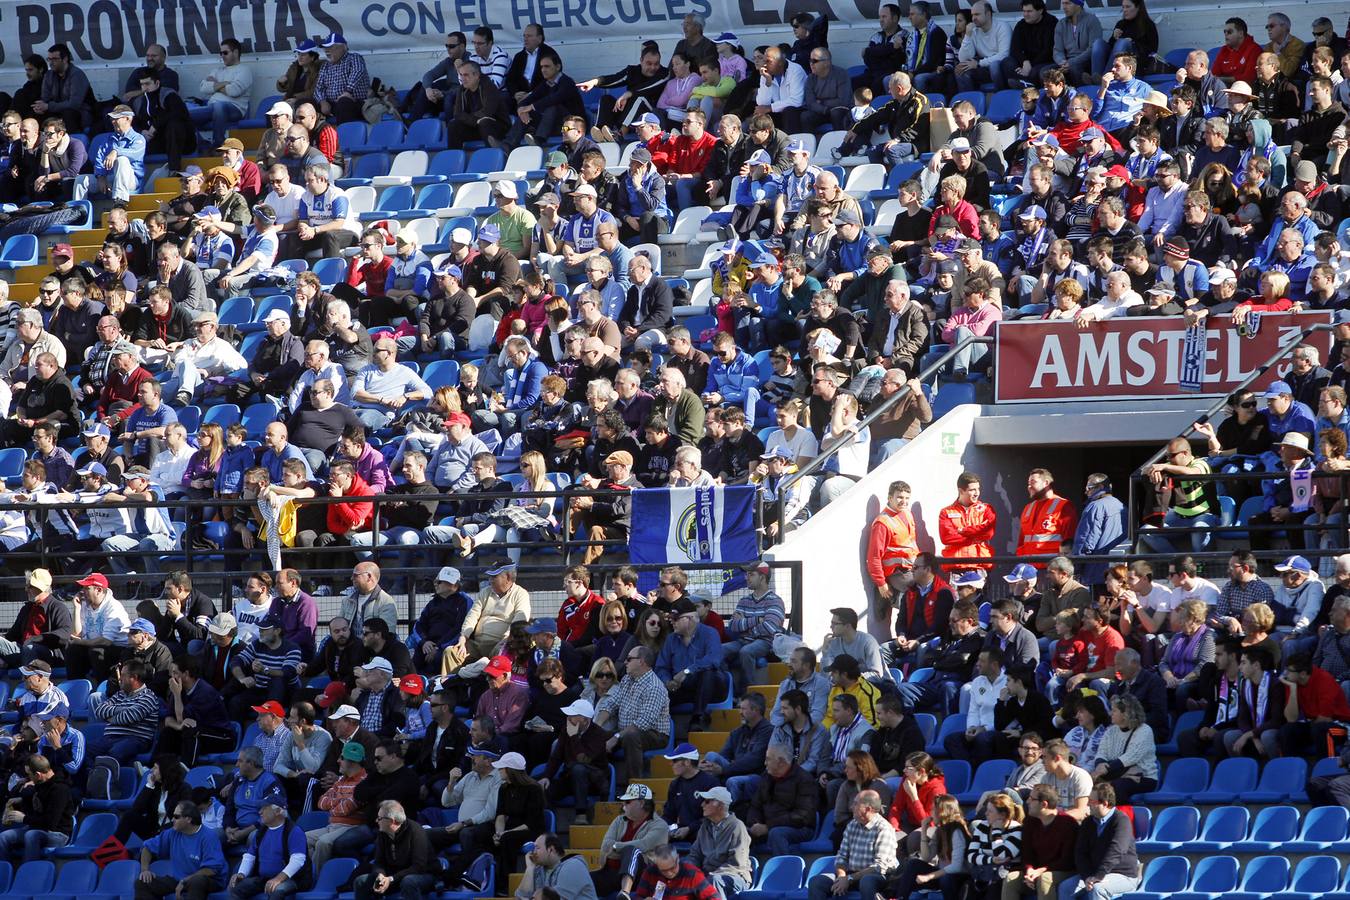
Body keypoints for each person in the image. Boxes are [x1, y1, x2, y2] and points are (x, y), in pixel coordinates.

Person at [806, 790, 897, 900]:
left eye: (855, 803)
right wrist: (842, 877)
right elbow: (842, 857)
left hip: (877, 876)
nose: (851, 807)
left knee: (867, 881)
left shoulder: (883, 829)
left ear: (868, 809)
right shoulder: (852, 825)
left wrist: (849, 879)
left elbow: (879, 867)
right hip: (851, 875)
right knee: (817, 882)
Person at [1058, 784, 1139, 900]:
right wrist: (1087, 876)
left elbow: (1117, 850)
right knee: (1065, 887)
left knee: (1098, 889)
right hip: (1093, 874)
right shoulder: (1088, 823)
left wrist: (1099, 875)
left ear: (1105, 803)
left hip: (1124, 875)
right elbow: (1080, 853)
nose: (1087, 804)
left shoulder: (1121, 820)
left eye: (1091, 801)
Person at [136, 801, 227, 900]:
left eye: (176, 816)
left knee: (197, 881)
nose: (172, 819)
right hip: (180, 879)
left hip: (209, 880)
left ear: (188, 819)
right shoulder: (172, 833)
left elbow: (211, 870)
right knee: (143, 882)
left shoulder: (209, 836)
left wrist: (185, 881)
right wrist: (145, 870)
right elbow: (147, 847)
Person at [352, 801, 436, 900]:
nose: (376, 820)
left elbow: (418, 867)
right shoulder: (383, 833)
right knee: (361, 881)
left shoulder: (416, 832)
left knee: (408, 882)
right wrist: (381, 875)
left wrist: (391, 879)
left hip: (424, 875)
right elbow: (379, 862)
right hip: (395, 876)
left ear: (392, 821)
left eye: (380, 818)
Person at [228, 800, 309, 900]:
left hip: (292, 879)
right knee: (235, 887)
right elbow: (249, 856)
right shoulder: (260, 832)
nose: (260, 812)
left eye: (264, 808)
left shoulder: (294, 831)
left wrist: (278, 879)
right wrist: (241, 874)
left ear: (277, 811)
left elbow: (298, 860)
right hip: (264, 878)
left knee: (277, 890)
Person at [0, 754, 75, 862]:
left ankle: (29, 872)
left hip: (57, 833)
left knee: (31, 835)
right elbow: (38, 804)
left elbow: (50, 823)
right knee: (3, 837)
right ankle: (5, 873)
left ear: (38, 775)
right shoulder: (41, 784)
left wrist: (23, 818)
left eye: (29, 775)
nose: (28, 778)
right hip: (37, 828)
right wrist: (21, 801)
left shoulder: (60, 790)